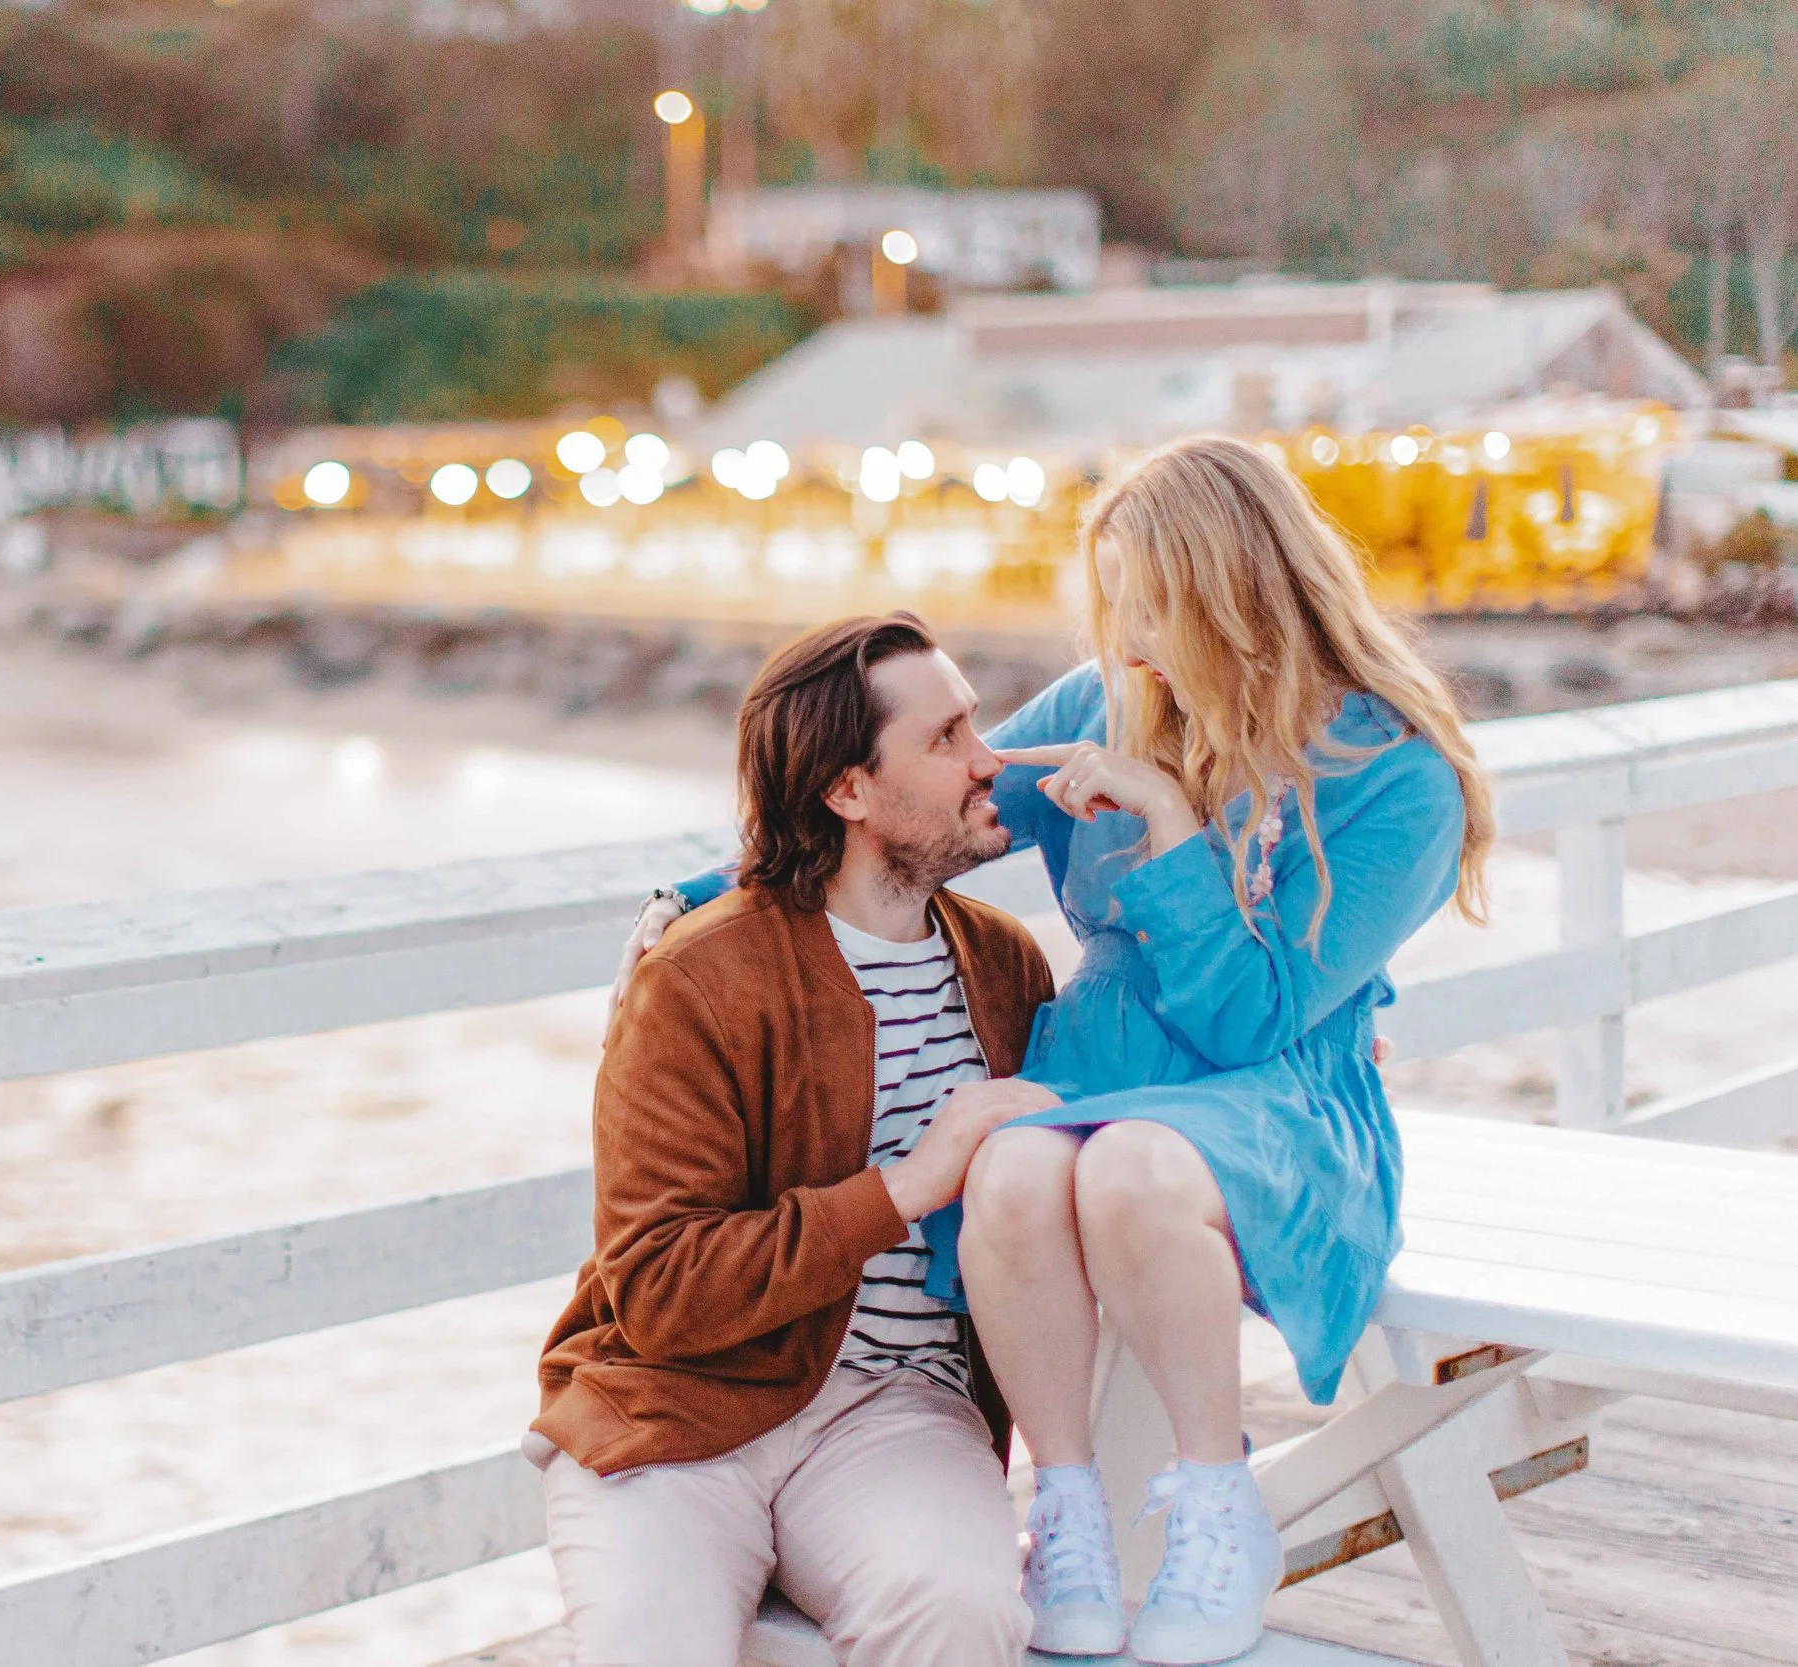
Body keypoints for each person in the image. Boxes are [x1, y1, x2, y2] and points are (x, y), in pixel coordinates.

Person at [619, 435, 1493, 1666]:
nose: (1125, 636)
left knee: (1129, 1163)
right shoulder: (1107, 698)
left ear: (1238, 588)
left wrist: (1171, 817)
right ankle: (1067, 1505)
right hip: (1098, 1065)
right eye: (1112, 601)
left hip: (1269, 1085)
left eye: (1150, 601)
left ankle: (1216, 1501)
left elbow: (1250, 1018)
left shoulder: (1400, 781)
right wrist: (703, 893)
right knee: (1015, 1165)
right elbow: (928, 806)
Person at [530, 612, 1064, 1667]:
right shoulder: (697, 976)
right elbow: (660, 1286)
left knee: (961, 1616)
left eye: (974, 724)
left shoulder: (1005, 965)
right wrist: (904, 1187)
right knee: (648, 1647)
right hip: (678, 1411)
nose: (988, 760)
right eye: (946, 736)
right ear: (848, 790)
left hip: (899, 1411)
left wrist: (1310, 1044)